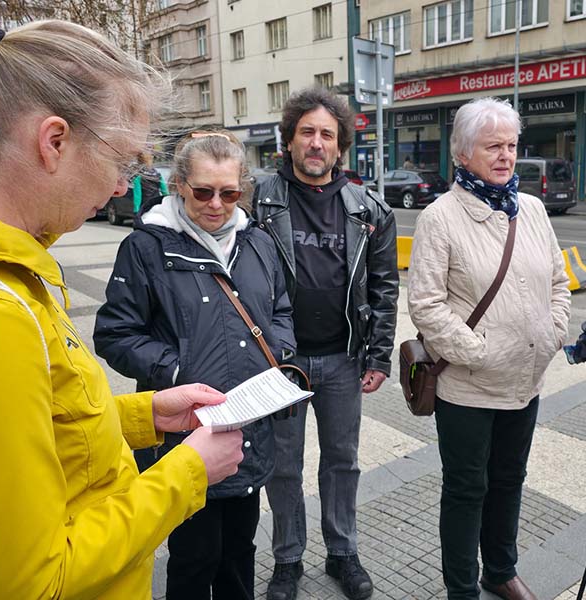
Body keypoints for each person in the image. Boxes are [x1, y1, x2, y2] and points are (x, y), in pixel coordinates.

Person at [0, 22, 244, 599]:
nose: (123, 187)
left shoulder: (16, 271)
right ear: (54, 141)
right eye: (123, 162)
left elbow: (50, 429)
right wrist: (189, 471)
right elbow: (34, 582)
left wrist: (146, 413)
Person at [93, 129, 296, 600]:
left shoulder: (258, 242)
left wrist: (280, 354)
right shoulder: (146, 247)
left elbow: (282, 309)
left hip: (249, 429)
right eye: (203, 191)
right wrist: (177, 370)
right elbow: (115, 334)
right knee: (193, 558)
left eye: (229, 193)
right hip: (185, 434)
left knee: (239, 554)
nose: (216, 204)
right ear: (180, 185)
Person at [407, 97, 570, 600]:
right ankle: (462, 588)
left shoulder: (533, 209)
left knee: (509, 479)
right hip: (468, 389)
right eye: (492, 146)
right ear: (462, 153)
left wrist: (553, 332)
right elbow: (426, 305)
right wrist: (479, 353)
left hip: (526, 381)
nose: (505, 156)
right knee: (466, 489)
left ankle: (499, 570)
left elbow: (559, 281)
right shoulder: (440, 217)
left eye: (512, 145)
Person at [253, 87, 399, 600]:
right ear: (289, 139)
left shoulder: (369, 209)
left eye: (327, 135)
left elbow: (385, 288)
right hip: (281, 362)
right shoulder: (257, 201)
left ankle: (343, 553)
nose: (317, 143)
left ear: (340, 147)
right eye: (307, 132)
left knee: (342, 461)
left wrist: (380, 355)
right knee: (283, 467)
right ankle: (287, 559)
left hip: (342, 359)